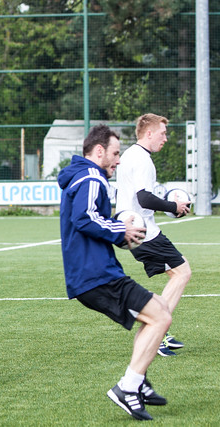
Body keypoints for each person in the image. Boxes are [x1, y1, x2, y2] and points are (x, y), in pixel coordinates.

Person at [58, 124, 172, 421]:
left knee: (158, 309)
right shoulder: (91, 175)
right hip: (96, 275)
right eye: (115, 153)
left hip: (96, 273)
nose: (118, 160)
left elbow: (90, 221)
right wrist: (122, 229)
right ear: (99, 152)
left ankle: (139, 381)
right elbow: (85, 219)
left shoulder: (81, 175)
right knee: (161, 317)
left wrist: (120, 234)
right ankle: (128, 386)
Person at [115, 113, 192, 357]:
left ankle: (157, 325)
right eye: (162, 133)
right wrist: (174, 207)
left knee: (177, 273)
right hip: (142, 231)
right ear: (149, 133)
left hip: (136, 228)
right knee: (182, 273)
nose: (165, 138)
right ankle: (156, 328)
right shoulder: (142, 160)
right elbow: (144, 198)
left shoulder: (132, 155)